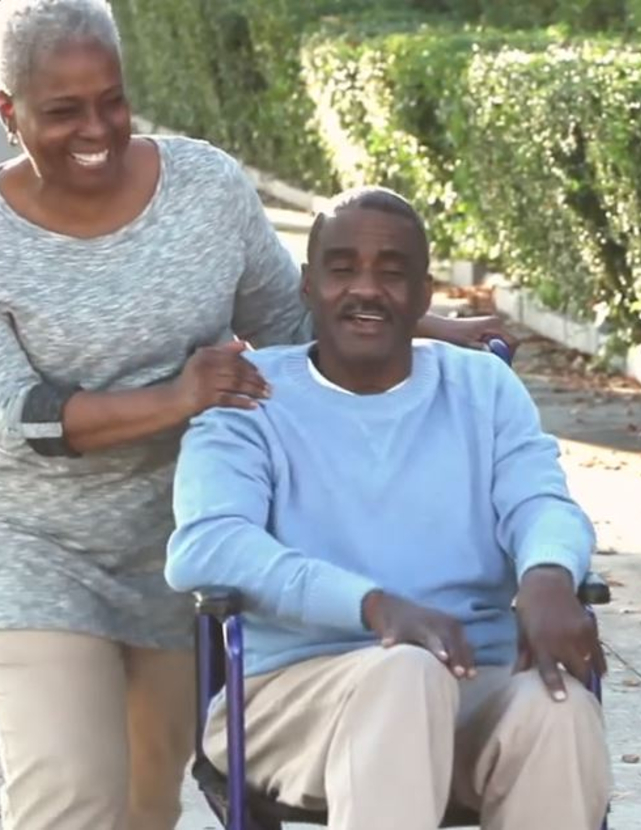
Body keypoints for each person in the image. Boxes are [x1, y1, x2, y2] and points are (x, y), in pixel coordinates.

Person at [0, 1, 514, 829]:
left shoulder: (204, 186)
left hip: (188, 535)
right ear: (9, 112)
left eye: (113, 100)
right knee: (67, 790)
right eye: (63, 110)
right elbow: (17, 415)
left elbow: (288, 314)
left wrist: (432, 327)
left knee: (146, 797)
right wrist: (176, 396)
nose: (96, 127)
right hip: (35, 549)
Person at [168, 186, 611, 830]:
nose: (366, 289)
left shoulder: (481, 387)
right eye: (342, 268)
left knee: (559, 708)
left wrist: (548, 574)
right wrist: (373, 605)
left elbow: (541, 500)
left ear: (425, 295)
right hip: (291, 698)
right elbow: (207, 546)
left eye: (393, 272)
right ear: (308, 286)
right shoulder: (252, 397)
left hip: (473, 682)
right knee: (404, 673)